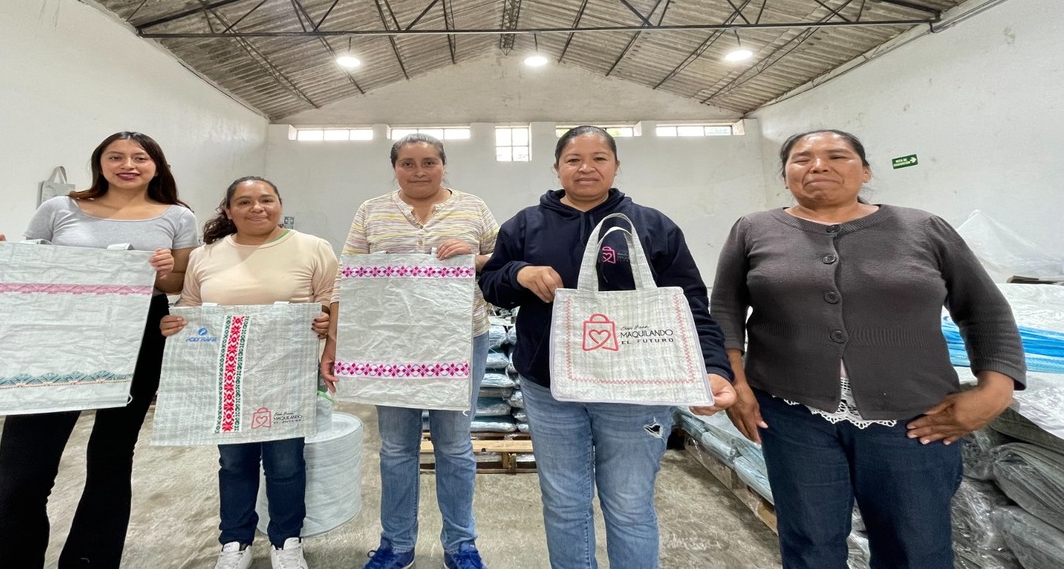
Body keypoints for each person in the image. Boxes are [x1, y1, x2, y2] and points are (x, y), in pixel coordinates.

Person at [711, 128, 1027, 569]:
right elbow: (724, 311)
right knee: (810, 544)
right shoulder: (754, 229)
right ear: (785, 176)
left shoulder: (923, 228)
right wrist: (737, 383)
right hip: (792, 416)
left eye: (837, 156)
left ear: (866, 171)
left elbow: (984, 310)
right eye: (801, 159)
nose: (818, 165)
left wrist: (996, 391)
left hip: (914, 417)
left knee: (916, 547)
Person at [478, 125, 735, 569]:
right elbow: (492, 286)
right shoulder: (525, 224)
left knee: (630, 505)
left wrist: (713, 367)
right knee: (563, 504)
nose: (586, 168)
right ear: (557, 167)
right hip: (550, 389)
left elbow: (690, 304)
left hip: (635, 391)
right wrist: (518, 273)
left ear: (616, 166)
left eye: (599, 158)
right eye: (573, 159)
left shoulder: (652, 226)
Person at [0, 131, 199, 569]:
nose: (128, 164)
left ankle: (91, 560)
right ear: (100, 163)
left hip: (137, 333)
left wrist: (162, 272)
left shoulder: (178, 216)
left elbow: (179, 283)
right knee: (23, 470)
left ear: (156, 165)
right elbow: (28, 266)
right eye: (116, 156)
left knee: (111, 458)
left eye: (140, 157)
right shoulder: (60, 208)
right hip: (59, 335)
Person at [320, 133, 499, 569]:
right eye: (408, 163)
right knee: (397, 448)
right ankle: (396, 544)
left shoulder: (473, 208)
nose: (419, 171)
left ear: (444, 164)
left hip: (460, 338)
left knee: (454, 447)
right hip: (391, 342)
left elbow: (505, 259)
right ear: (395, 166)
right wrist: (335, 341)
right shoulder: (372, 211)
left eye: (429, 162)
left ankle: (461, 544)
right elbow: (350, 276)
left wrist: (474, 258)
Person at [160, 176, 336, 569]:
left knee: (286, 462)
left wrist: (325, 324)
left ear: (279, 203)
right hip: (227, 377)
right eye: (244, 202)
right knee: (234, 462)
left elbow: (331, 300)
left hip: (287, 376)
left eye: (266, 199)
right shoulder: (207, 256)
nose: (256, 208)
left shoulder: (312, 248)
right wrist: (172, 324)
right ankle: (235, 542)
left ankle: (286, 540)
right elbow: (190, 308)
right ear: (228, 210)